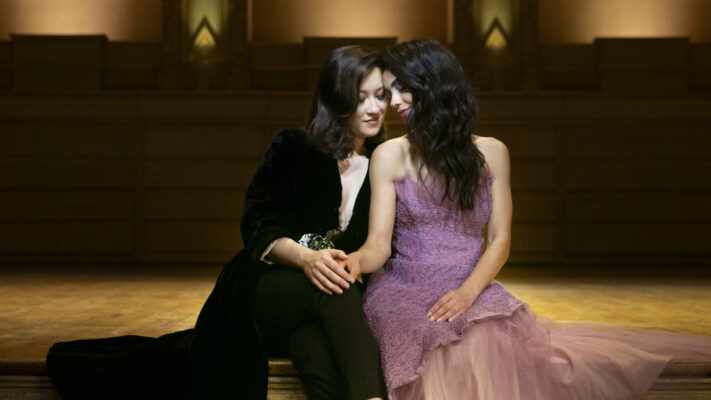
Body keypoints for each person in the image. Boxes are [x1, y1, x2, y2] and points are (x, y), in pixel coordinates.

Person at [346, 38, 711, 400]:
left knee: (483, 340)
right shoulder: (390, 155)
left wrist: (467, 294)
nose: (393, 103)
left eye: (403, 89)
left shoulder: (492, 153)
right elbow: (378, 246)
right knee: (425, 333)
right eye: (389, 92)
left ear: (434, 84)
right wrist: (349, 263)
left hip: (468, 283)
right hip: (402, 288)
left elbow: (500, 241)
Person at [47, 45, 388, 400]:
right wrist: (306, 258)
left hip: (318, 310)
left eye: (380, 96)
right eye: (360, 96)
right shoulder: (292, 147)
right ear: (336, 97)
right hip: (265, 288)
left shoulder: (384, 163)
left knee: (314, 348)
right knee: (337, 291)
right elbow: (257, 222)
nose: (374, 107)